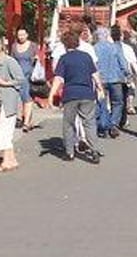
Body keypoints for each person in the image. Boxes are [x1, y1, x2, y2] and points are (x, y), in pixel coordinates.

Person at [47, 30, 102, 164]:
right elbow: (95, 75)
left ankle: (70, 152)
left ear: (65, 44)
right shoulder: (86, 56)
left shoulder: (64, 59)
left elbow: (59, 78)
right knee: (89, 122)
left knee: (69, 124)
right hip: (87, 93)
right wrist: (100, 88)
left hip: (70, 94)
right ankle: (94, 151)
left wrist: (51, 95)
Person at [0, 40, 25, 171]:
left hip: (7, 101)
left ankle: (8, 160)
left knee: (4, 130)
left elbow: (20, 80)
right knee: (0, 130)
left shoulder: (9, 61)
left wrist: (5, 83)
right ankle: (11, 160)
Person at [94, 26, 130, 138]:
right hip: (116, 79)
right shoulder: (115, 47)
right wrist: (127, 74)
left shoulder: (94, 48)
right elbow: (123, 63)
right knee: (117, 102)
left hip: (101, 80)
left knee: (102, 102)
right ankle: (114, 123)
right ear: (107, 36)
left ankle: (103, 124)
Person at [10, 28, 39, 132]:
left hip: (28, 76)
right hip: (17, 76)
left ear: (27, 35)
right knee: (19, 99)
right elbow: (12, 60)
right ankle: (26, 120)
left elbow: (37, 59)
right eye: (19, 35)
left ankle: (26, 122)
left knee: (27, 98)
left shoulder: (33, 46)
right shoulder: (14, 46)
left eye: (23, 34)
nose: (21, 37)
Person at [117, 27, 137, 122]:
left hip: (117, 74)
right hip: (129, 72)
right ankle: (130, 105)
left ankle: (120, 116)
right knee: (130, 90)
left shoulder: (117, 46)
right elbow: (135, 61)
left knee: (120, 96)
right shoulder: (131, 47)